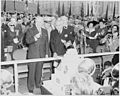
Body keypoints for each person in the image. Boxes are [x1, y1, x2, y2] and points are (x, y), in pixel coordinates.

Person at [26, 16, 49, 94]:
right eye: (38, 22)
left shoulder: (45, 31)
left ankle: (38, 85)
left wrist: (46, 54)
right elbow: (27, 41)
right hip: (32, 55)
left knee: (39, 72)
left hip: (42, 55)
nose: (40, 23)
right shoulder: (30, 30)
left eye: (41, 22)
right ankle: (30, 88)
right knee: (31, 72)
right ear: (35, 22)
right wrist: (35, 38)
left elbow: (46, 43)